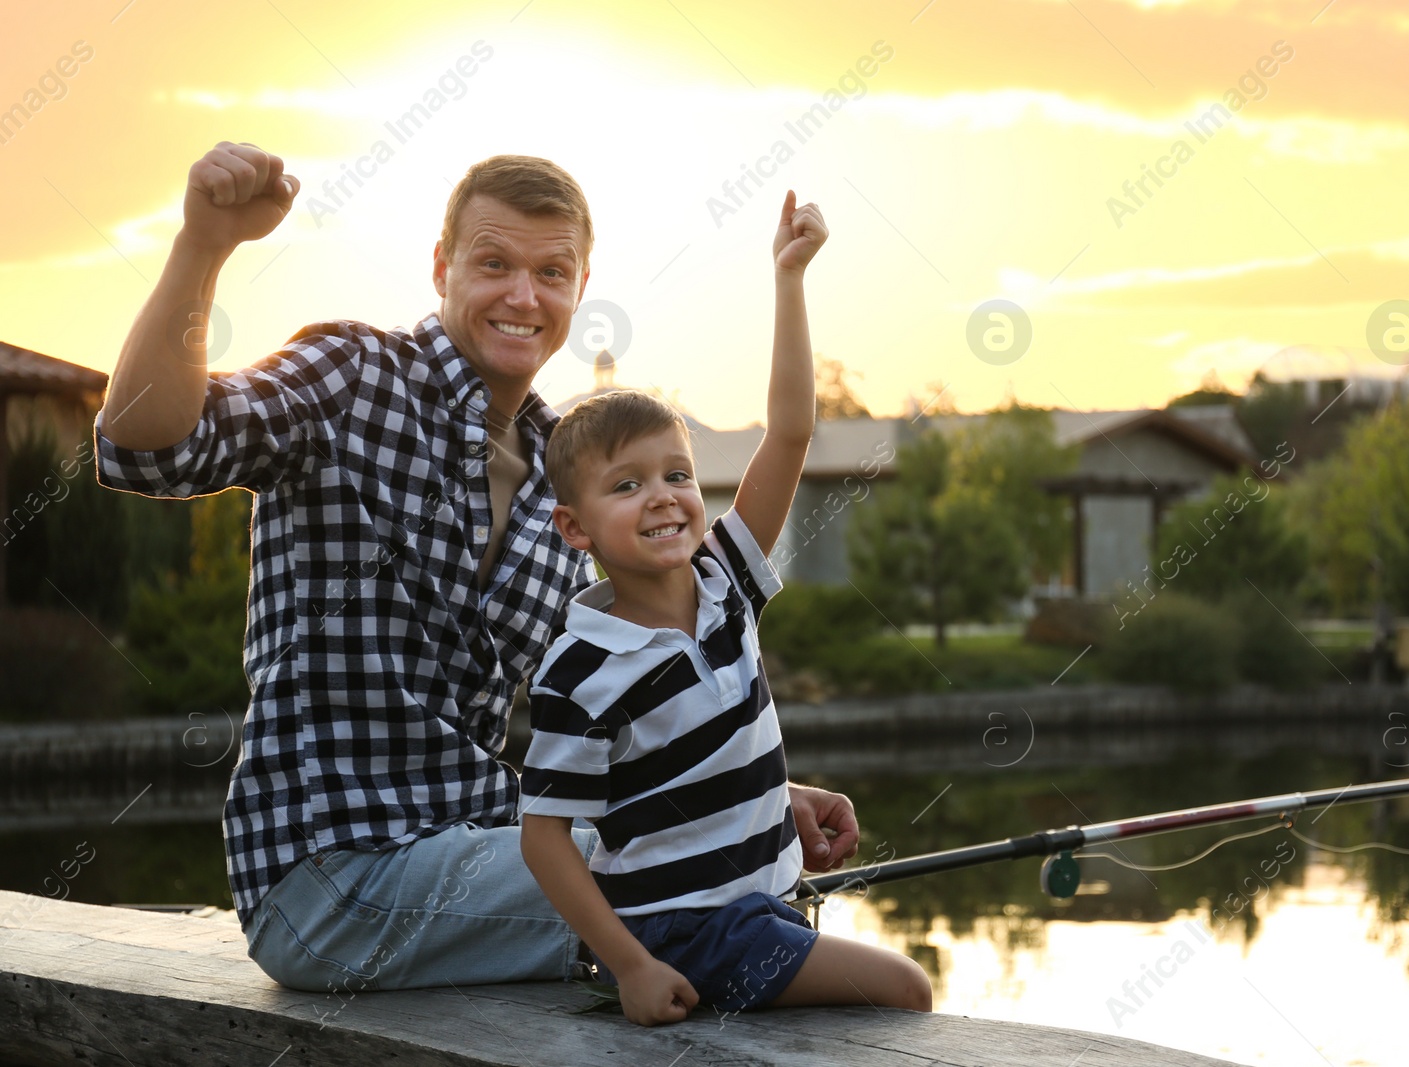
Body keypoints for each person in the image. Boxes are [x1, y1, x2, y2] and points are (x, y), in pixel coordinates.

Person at [94, 142, 861, 995]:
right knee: (687, 894)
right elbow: (144, 446)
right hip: (329, 876)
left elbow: (613, 708)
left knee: (716, 879)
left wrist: (748, 790)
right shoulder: (351, 377)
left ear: (578, 288)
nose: (523, 296)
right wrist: (204, 243)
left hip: (479, 852)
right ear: (441, 267)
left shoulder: (565, 486)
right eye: (494, 263)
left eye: (551, 272)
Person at [519, 192, 932, 1027]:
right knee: (906, 992)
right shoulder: (582, 665)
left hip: (765, 904)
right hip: (691, 929)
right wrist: (631, 964)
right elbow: (545, 837)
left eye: (676, 474)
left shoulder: (725, 582)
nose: (664, 497)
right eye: (626, 485)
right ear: (574, 527)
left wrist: (789, 277)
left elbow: (788, 433)